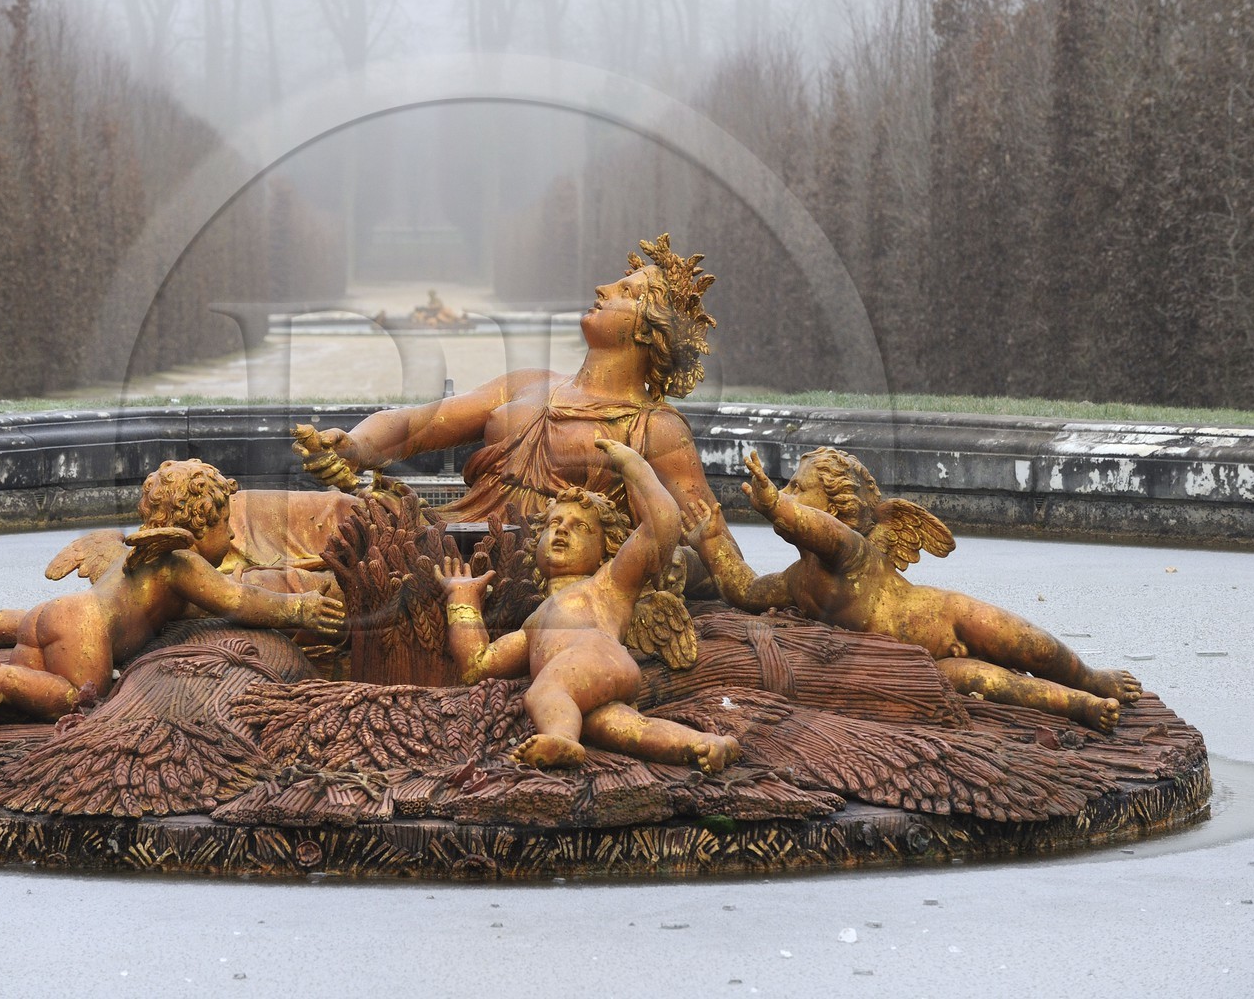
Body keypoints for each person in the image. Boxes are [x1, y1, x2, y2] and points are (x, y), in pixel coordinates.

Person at [291, 233, 756, 602]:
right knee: (302, 512)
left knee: (333, 534)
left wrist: (659, 561)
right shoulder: (531, 381)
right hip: (453, 532)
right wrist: (352, 448)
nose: (603, 288)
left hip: (519, 568)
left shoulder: (657, 429)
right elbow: (419, 425)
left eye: (627, 292)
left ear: (649, 330)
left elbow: (715, 551)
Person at [683, 447, 1141, 732]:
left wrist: (775, 505)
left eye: (797, 487)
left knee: (1031, 645)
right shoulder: (796, 581)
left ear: (839, 504)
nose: (787, 490)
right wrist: (711, 541)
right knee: (984, 683)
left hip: (944, 615)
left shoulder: (852, 551)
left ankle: (1089, 677)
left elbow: (817, 530)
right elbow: (743, 590)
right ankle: (1079, 704)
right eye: (788, 487)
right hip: (923, 663)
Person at [0, 460, 345, 737]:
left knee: (22, 701)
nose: (231, 535)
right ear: (195, 525)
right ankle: (1, 678)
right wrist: (298, 607)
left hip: (50, 617)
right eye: (224, 523)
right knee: (78, 696)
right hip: (84, 630)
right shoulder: (180, 562)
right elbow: (234, 601)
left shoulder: (133, 558)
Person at [434, 437, 740, 771]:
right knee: (618, 727)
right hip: (587, 681)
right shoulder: (533, 625)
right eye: (554, 523)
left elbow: (660, 529)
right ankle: (706, 744)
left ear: (606, 547)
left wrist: (634, 466)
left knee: (543, 693)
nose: (561, 531)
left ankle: (563, 740)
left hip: (597, 658)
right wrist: (461, 599)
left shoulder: (608, 584)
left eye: (579, 527)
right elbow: (478, 666)